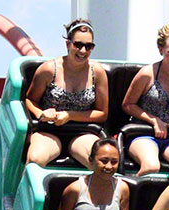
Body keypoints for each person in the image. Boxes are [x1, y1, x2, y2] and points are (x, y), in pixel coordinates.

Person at [25, 19, 109, 168]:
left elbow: (102, 113)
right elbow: (29, 101)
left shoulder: (97, 72)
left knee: (100, 163)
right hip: (49, 130)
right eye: (78, 45)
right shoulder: (49, 69)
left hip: (82, 132)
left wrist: (69, 115)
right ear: (68, 44)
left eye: (88, 46)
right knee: (35, 159)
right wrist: (41, 114)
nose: (83, 51)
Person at [122, 21, 169, 176]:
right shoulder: (147, 74)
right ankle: (133, 196)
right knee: (152, 166)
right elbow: (128, 105)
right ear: (161, 49)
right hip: (144, 132)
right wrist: (154, 121)